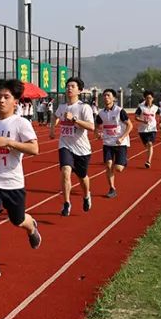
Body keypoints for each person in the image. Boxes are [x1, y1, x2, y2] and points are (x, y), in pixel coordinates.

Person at [0, 78, 42, 279]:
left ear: (16, 101)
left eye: (6, 97)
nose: (1, 101)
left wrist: (10, 143)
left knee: (18, 220)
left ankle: (31, 227)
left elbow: (34, 149)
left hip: (12, 182)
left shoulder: (21, 123)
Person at [54, 76, 96, 217]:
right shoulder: (62, 107)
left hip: (82, 149)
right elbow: (55, 116)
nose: (69, 88)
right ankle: (66, 203)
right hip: (65, 146)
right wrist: (52, 130)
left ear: (80, 90)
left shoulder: (84, 107)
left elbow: (91, 126)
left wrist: (75, 119)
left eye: (72, 86)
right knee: (65, 171)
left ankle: (86, 195)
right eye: (68, 86)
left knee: (82, 177)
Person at [96, 88, 133, 198]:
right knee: (108, 165)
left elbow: (130, 125)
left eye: (108, 95)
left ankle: (123, 160)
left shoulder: (119, 111)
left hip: (120, 143)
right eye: (104, 95)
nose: (106, 97)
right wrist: (98, 133)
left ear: (114, 98)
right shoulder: (101, 113)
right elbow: (97, 125)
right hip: (107, 143)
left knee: (119, 168)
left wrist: (122, 137)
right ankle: (112, 188)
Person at [135, 89, 159, 168]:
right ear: (145, 98)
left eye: (150, 98)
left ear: (153, 99)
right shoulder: (141, 107)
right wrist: (143, 120)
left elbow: (160, 115)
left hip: (152, 129)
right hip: (142, 130)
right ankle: (149, 156)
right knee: (147, 146)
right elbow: (136, 117)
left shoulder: (155, 108)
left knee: (150, 144)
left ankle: (148, 161)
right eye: (147, 98)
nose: (148, 99)